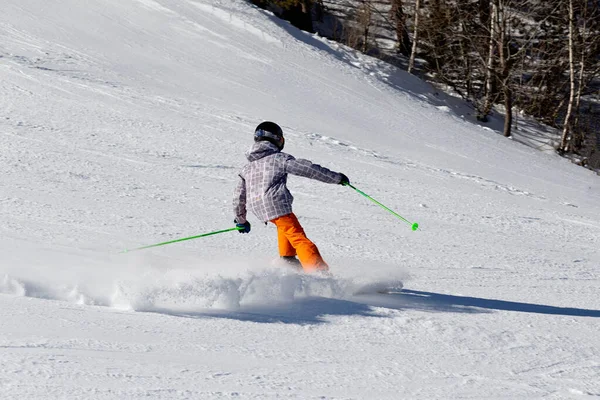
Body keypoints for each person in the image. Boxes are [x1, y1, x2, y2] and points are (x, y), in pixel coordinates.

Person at [233, 121, 349, 272]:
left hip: (259, 208)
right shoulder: (278, 159)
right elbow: (307, 169)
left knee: (285, 227)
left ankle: (287, 261)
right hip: (275, 204)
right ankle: (320, 275)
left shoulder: (246, 168)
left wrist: (240, 219)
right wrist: (336, 178)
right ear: (277, 139)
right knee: (299, 238)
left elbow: (238, 196)